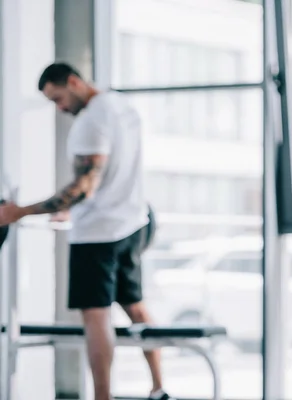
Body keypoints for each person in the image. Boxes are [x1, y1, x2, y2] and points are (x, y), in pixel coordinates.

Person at [0, 63, 174, 400]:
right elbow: (107, 175)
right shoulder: (122, 106)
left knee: (96, 317)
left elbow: (84, 187)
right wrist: (67, 205)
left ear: (75, 82)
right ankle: (158, 387)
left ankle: (102, 398)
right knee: (136, 307)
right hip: (131, 222)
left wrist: (19, 211)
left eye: (59, 98)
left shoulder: (90, 121)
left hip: (97, 234)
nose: (60, 108)